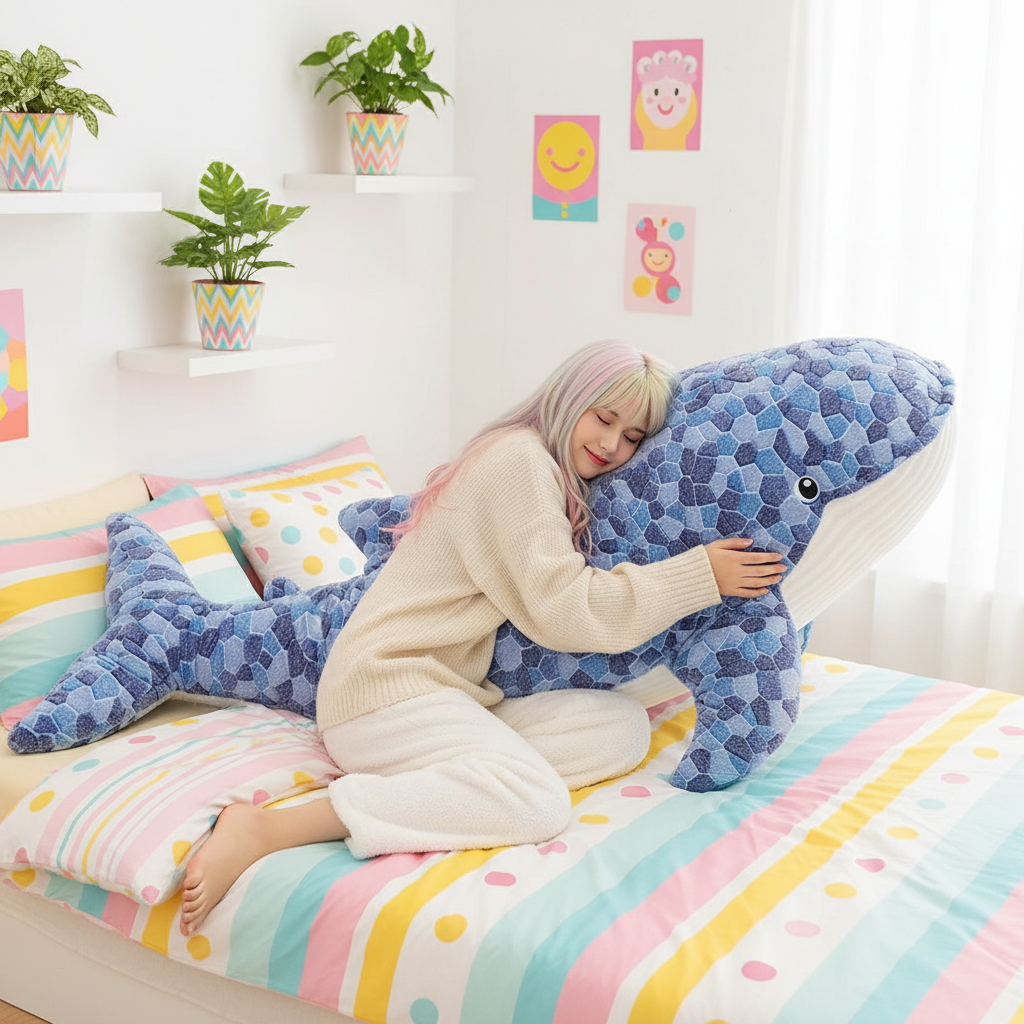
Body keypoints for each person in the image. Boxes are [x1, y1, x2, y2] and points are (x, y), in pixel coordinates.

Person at [179, 340, 787, 937]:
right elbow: (566, 609)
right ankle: (267, 828)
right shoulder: (519, 462)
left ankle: (447, 784)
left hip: (446, 690)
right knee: (538, 804)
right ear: (567, 398)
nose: (611, 445)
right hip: (382, 689)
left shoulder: (540, 466)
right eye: (603, 418)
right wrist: (700, 576)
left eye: (631, 437)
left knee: (621, 728)